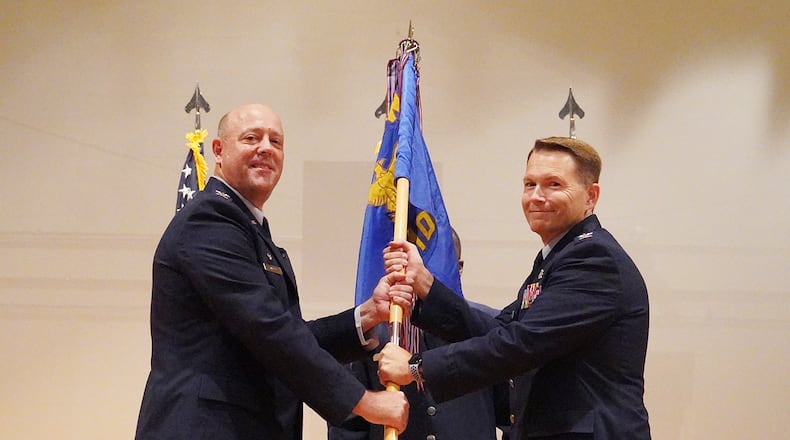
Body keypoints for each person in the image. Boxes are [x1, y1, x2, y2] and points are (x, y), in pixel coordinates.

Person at [135, 103, 411, 440]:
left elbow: (285, 334)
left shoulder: (249, 229)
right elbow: (268, 329)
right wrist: (363, 401)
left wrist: (367, 315)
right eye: (251, 138)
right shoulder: (208, 220)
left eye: (276, 142)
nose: (266, 148)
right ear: (218, 152)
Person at [377, 136, 651, 439]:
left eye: (554, 185)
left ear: (591, 196)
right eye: (529, 184)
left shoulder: (593, 259)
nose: (536, 196)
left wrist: (418, 367)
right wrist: (425, 284)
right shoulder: (557, 257)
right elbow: (498, 330)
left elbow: (521, 343)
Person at [327, 228, 511, 440]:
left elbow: (514, 412)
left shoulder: (487, 326)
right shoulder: (371, 334)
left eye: (427, 267)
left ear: (458, 268)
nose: (415, 276)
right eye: (408, 265)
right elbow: (348, 423)